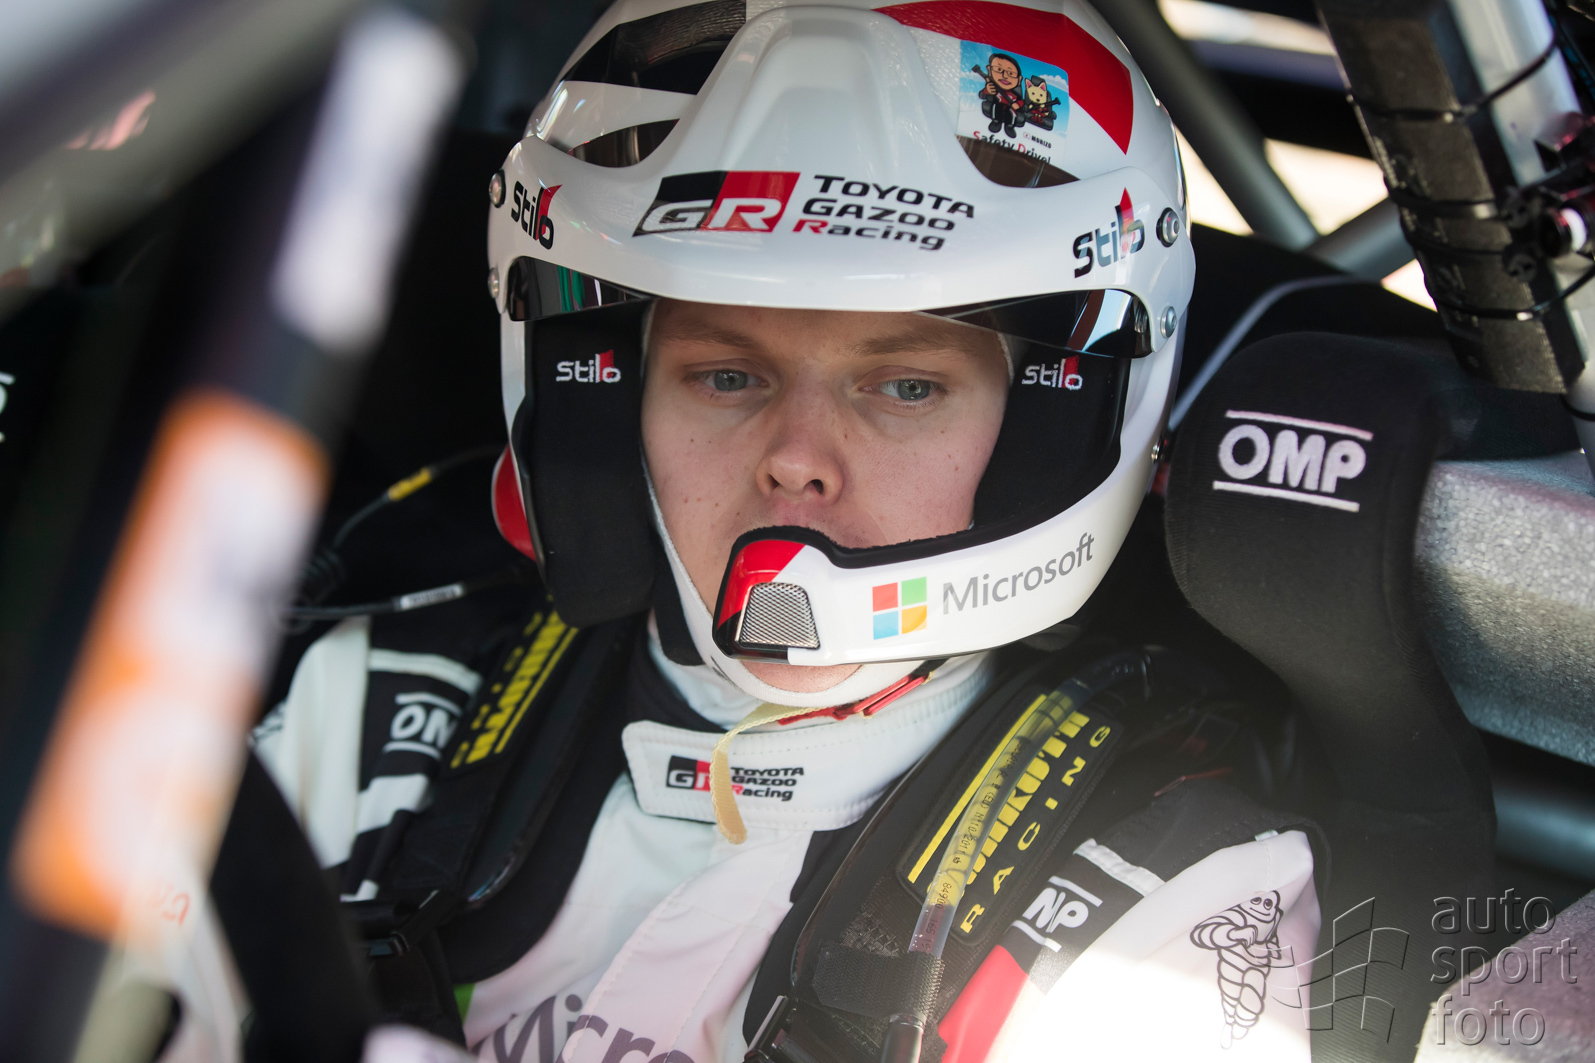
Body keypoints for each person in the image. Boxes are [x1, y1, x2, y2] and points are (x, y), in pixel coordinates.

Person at [157, 2, 1326, 1061]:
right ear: (601, 399)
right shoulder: (371, 713)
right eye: (726, 375)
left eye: (904, 386)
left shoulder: (1172, 893)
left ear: (1051, 426)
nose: (795, 457)